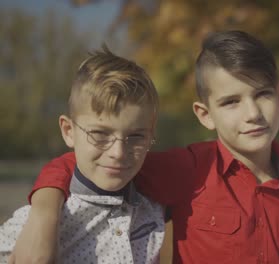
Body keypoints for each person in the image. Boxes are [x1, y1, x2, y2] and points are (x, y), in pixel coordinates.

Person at [8, 30, 279, 263]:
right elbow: (86, 161)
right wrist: (45, 212)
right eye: (231, 102)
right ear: (204, 114)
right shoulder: (189, 169)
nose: (253, 113)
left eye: (263, 95)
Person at [0, 46, 166, 263]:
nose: (118, 153)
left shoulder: (154, 207)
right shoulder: (32, 227)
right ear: (69, 131)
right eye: (99, 134)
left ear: (150, 134)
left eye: (136, 136)